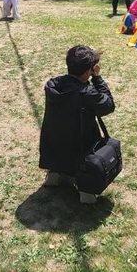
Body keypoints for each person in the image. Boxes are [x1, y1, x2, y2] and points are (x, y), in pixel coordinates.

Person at [39, 44, 116, 204]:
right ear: (88, 71)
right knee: (89, 142)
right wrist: (97, 78)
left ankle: (54, 174)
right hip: (80, 145)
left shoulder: (53, 85)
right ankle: (86, 191)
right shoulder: (86, 93)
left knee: (62, 137)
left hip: (54, 140)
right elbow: (108, 105)